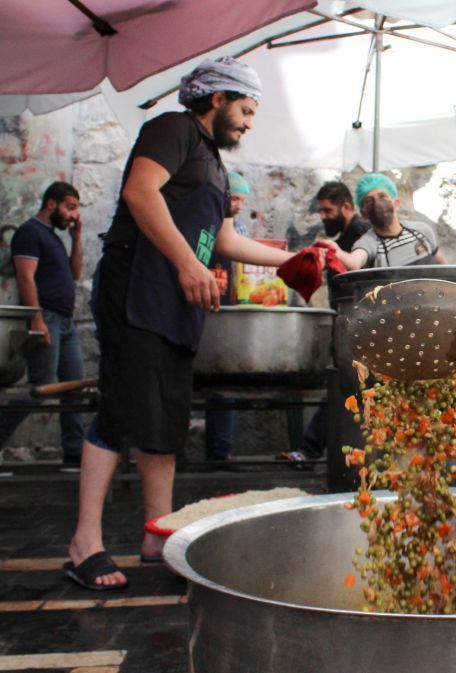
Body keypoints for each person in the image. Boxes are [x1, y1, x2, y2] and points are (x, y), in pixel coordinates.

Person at [64, 57, 338, 590]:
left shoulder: (212, 162)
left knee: (165, 419)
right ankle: (84, 544)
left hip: (174, 301)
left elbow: (226, 240)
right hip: (137, 287)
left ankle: (158, 536)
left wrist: (297, 258)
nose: (249, 122)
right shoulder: (173, 129)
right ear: (217, 99)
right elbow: (140, 192)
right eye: (246, 110)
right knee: (121, 409)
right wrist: (189, 264)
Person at [279, 180, 371, 465]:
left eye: (328, 210)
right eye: (321, 211)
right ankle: (315, 451)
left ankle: (311, 451)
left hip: (360, 324)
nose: (323, 217)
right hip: (350, 322)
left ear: (347, 207)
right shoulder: (345, 237)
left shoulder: (360, 234)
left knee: (343, 385)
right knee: (343, 385)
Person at [0, 182, 85, 466]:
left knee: (75, 388)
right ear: (51, 204)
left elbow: (75, 274)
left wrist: (76, 239)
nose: (73, 215)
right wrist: (37, 318)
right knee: (41, 387)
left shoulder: (54, 237)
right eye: (69, 207)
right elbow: (25, 277)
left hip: (66, 322)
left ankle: (74, 453)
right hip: (46, 317)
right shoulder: (29, 232)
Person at [204, 171, 251, 462]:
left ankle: (220, 452)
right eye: (233, 198)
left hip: (227, 311)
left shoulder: (240, 229)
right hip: (197, 307)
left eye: (241, 200)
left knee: (224, 383)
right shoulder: (204, 223)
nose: (237, 205)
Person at [332, 173, 447, 269]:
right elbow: (354, 262)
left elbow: (443, 266)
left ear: (396, 203)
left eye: (383, 196)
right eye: (369, 201)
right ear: (364, 214)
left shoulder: (422, 231)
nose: (378, 204)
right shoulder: (369, 243)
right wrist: (337, 252)